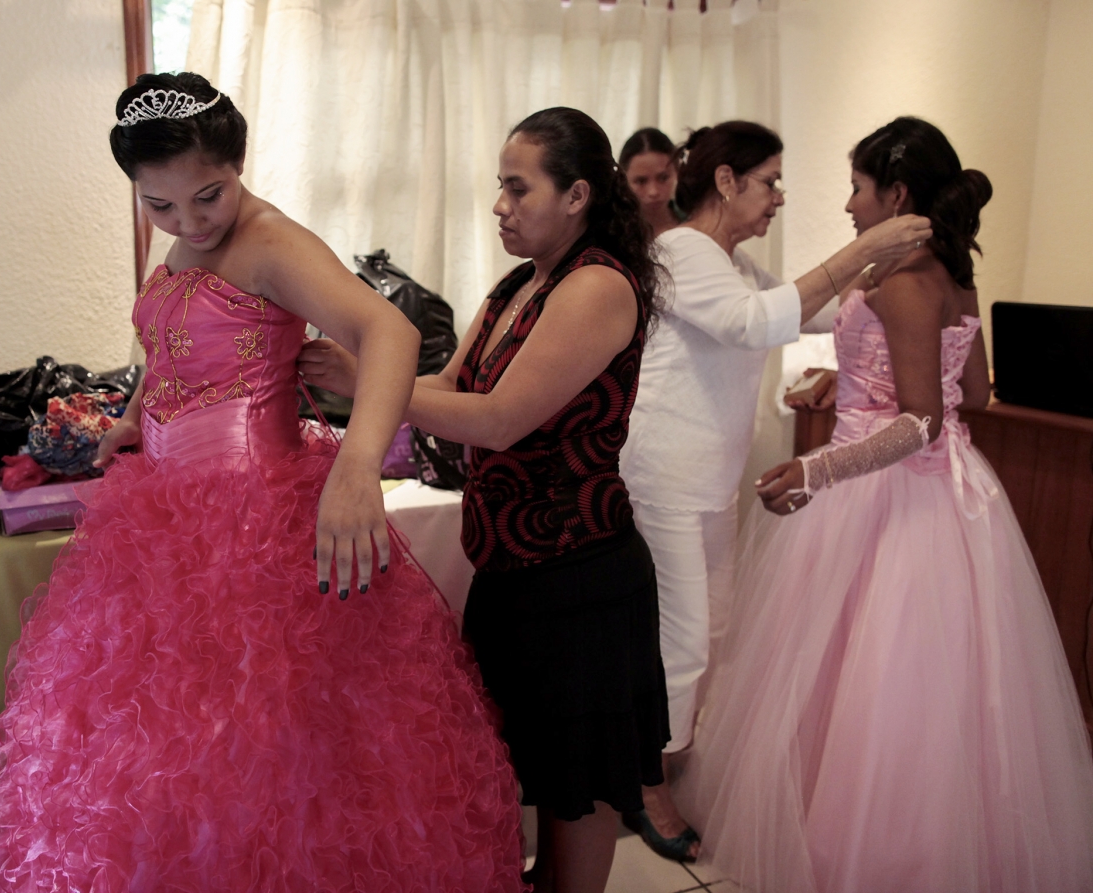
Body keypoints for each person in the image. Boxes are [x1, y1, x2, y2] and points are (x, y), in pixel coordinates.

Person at [0, 72, 526, 892]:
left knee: (264, 745)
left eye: (209, 195)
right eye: (160, 206)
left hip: (255, 520)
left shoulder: (271, 240)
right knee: (168, 748)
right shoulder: (185, 238)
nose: (189, 221)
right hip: (166, 519)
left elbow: (391, 331)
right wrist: (137, 415)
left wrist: (355, 467)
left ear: (239, 164)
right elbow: (170, 346)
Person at [682, 116, 1093, 892]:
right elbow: (969, 392)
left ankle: (857, 850)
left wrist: (821, 468)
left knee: (863, 670)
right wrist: (855, 383)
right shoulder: (953, 273)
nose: (847, 204)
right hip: (956, 495)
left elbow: (924, 419)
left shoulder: (899, 281)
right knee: (928, 683)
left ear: (896, 192)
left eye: (858, 187)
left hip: (885, 491)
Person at [300, 107, 668, 893]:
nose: (499, 205)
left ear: (575, 195)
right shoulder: (518, 284)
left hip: (582, 576)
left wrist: (374, 387)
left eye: (516, 187)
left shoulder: (597, 285)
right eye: (498, 187)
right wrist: (353, 374)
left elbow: (499, 420)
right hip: (512, 571)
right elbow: (448, 387)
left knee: (579, 783)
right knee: (518, 765)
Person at [616, 120, 932, 861]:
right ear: (726, 182)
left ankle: (661, 759)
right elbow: (750, 324)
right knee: (685, 639)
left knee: (712, 629)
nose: (779, 197)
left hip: (707, 480)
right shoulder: (681, 250)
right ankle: (644, 784)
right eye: (770, 181)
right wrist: (861, 250)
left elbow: (815, 310)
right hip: (662, 475)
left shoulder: (732, 260)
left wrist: (906, 264)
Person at [619, 127, 683, 238]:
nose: (653, 192)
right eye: (641, 181)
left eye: (663, 178)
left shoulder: (695, 221)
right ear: (624, 180)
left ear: (676, 171)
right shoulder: (612, 231)